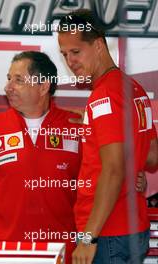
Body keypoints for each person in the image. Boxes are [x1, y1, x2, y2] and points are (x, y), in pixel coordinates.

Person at [0, 51, 83, 263]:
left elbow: (102, 176)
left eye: (18, 80)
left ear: (43, 87)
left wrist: (134, 177)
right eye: (9, 79)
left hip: (60, 253)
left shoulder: (76, 125)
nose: (8, 87)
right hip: (0, 251)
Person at [57, 9, 158, 263]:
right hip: (131, 229)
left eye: (76, 52)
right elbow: (152, 156)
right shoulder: (131, 88)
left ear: (99, 45)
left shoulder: (105, 96)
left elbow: (113, 170)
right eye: (64, 54)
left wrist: (89, 237)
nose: (70, 61)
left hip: (107, 233)